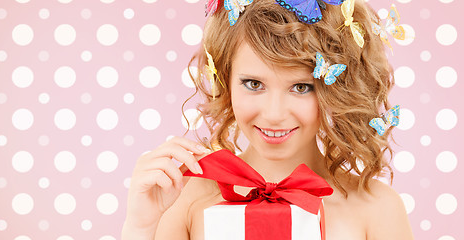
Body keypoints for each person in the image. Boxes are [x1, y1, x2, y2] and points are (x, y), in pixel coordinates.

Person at [122, 0, 414, 239]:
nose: (274, 114)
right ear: (225, 80)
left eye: (301, 87)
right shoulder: (183, 199)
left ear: (335, 90)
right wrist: (140, 227)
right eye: (253, 84)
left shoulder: (378, 209)